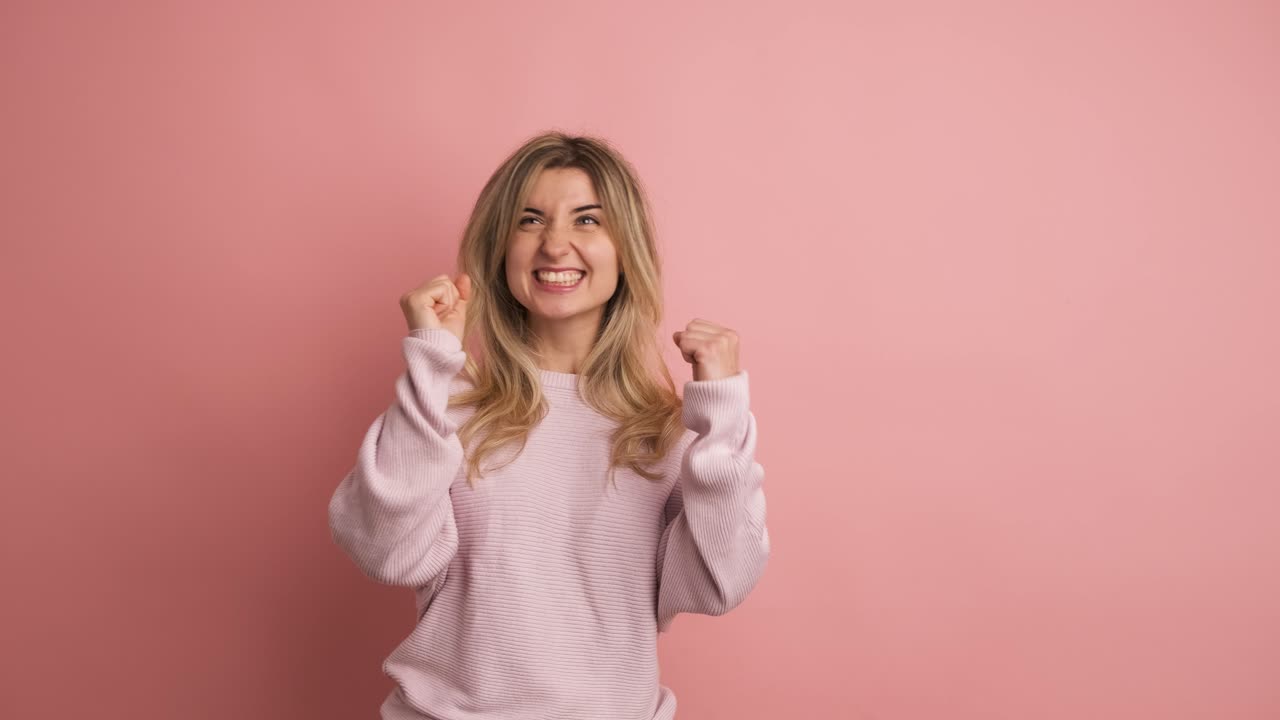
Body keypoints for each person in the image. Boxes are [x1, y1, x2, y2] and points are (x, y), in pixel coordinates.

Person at [327, 130, 771, 719]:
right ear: (502, 247)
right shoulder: (448, 405)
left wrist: (724, 409)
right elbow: (382, 549)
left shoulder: (669, 432)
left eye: (587, 220)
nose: (555, 245)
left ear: (625, 247)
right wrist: (432, 360)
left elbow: (721, 582)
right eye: (530, 220)